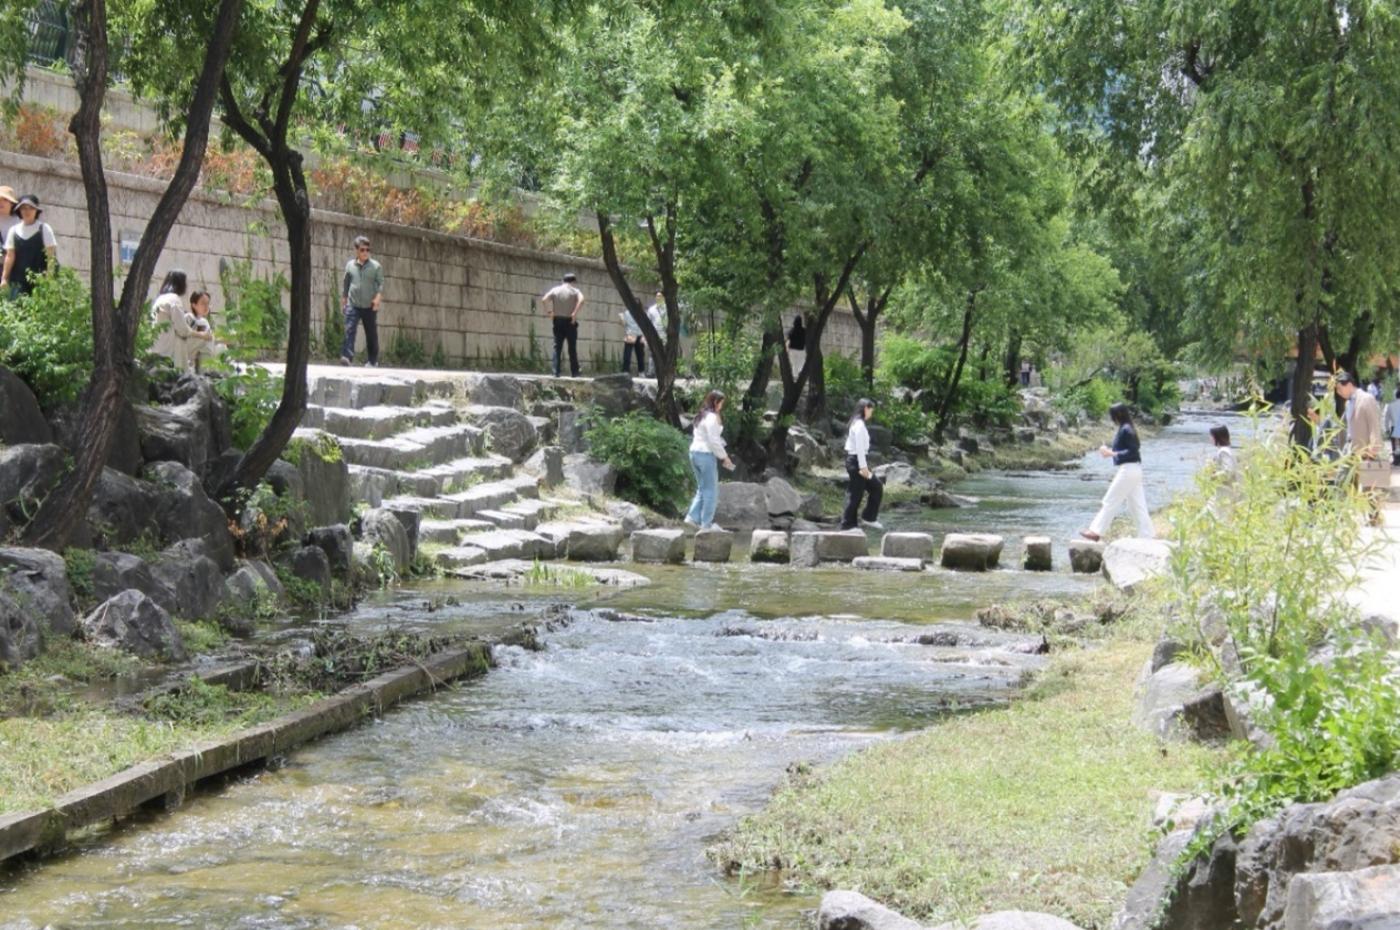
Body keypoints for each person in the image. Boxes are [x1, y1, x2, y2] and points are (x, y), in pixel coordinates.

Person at [1080, 402, 1154, 541]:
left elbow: (1133, 450)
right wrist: (1110, 452)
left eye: (1112, 415)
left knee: (1110, 500)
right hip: (1134, 469)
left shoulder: (1126, 429)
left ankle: (1096, 531)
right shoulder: (1126, 428)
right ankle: (1147, 534)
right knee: (1137, 505)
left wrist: (1111, 453)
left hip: (1128, 469)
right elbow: (1129, 449)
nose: (1112, 419)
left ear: (1118, 415)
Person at [1337, 372, 1388, 521]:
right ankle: (1340, 515)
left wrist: (1375, 445)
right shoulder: (1348, 403)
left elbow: (1374, 423)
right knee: (1342, 479)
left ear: (1349, 384)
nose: (1339, 393)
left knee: (1369, 485)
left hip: (1366, 448)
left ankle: (1373, 516)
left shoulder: (1367, 399)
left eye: (1340, 389)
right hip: (1350, 448)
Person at [685, 390, 735, 528]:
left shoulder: (701, 415)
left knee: (702, 488)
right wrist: (724, 457)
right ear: (715, 402)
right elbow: (713, 441)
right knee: (711, 491)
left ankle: (692, 517)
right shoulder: (711, 417)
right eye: (721, 403)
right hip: (705, 455)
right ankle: (706, 524)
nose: (721, 406)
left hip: (694, 452)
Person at [840, 398, 884, 531]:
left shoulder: (858, 423)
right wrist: (864, 467)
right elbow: (859, 447)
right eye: (871, 410)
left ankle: (868, 518)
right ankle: (848, 525)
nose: (872, 413)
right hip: (857, 462)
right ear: (866, 408)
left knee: (875, 486)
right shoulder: (858, 424)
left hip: (858, 461)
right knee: (855, 493)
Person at [0, 195, 57, 299]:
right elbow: (10, 256)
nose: (27, 211)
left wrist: (49, 280)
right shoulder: (13, 231)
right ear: (19, 211)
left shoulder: (44, 229)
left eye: (31, 208)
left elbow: (51, 257)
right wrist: (4, 278)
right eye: (24, 208)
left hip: (39, 282)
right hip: (17, 283)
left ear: (36, 210)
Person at [340, 235, 384, 367]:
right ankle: (347, 357)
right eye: (362, 250)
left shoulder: (376, 266)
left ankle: (372, 360)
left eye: (367, 250)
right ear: (356, 250)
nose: (365, 252)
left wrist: (377, 299)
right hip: (353, 304)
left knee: (371, 333)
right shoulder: (350, 266)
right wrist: (344, 300)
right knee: (349, 330)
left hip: (369, 305)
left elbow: (380, 284)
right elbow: (346, 283)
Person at [150, 270, 201, 372]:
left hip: (157, 347)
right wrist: (199, 334)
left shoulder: (160, 299)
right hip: (170, 350)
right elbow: (182, 329)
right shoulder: (174, 299)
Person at [541, 272, 583, 377]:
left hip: (558, 320)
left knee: (557, 347)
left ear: (563, 281)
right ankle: (575, 372)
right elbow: (582, 300)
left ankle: (555, 372)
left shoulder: (555, 290)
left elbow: (544, 299)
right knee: (572, 348)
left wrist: (550, 312)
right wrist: (574, 313)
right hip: (570, 321)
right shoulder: (575, 291)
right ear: (573, 282)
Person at [185, 290, 225, 370]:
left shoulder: (204, 321)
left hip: (200, 350)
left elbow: (211, 337)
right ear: (194, 305)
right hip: (186, 350)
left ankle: (219, 371)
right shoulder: (188, 318)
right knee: (207, 342)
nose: (206, 307)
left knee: (222, 347)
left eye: (208, 303)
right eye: (203, 303)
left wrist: (223, 340)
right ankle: (205, 372)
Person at [644, 292, 666, 376]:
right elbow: (647, 322)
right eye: (657, 296)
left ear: (664, 298)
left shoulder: (667, 309)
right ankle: (651, 372)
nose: (658, 298)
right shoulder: (651, 309)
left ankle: (664, 372)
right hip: (654, 334)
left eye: (660, 296)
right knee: (652, 353)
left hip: (665, 334)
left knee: (664, 354)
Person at [619, 307, 646, 375]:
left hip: (639, 334)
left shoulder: (641, 313)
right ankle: (626, 371)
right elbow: (623, 324)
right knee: (627, 355)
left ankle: (641, 372)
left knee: (640, 355)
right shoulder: (627, 313)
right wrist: (621, 318)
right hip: (630, 335)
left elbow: (645, 325)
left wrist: (643, 336)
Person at [0, 187, 19, 264]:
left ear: (12, 203)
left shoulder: (19, 221)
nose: (1, 202)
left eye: (5, 200)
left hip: (13, 263)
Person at [1385, 386, 1400, 462]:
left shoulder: (1390, 405)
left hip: (1394, 427)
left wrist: (1387, 429)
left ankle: (1397, 460)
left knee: (1395, 445)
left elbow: (1386, 418)